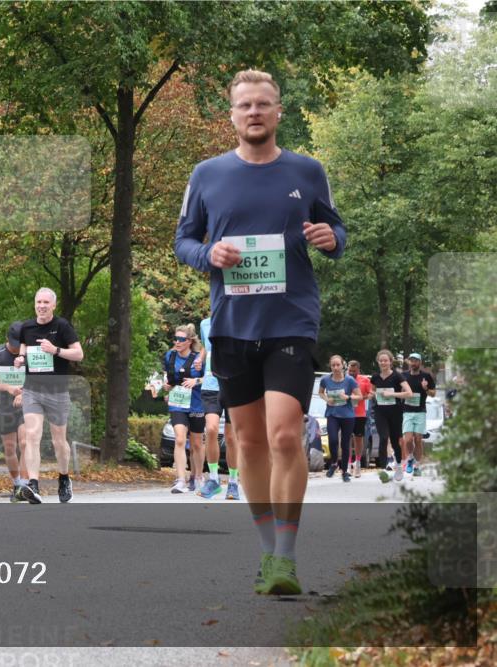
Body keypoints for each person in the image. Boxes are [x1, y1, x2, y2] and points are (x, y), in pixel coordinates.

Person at [175, 69, 346, 595]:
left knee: (285, 434)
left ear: (278, 112)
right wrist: (210, 254)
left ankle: (286, 559)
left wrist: (329, 237)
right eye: (245, 105)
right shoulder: (207, 175)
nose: (254, 112)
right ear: (231, 114)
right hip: (231, 323)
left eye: (263, 104)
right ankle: (268, 549)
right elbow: (183, 242)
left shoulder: (308, 170)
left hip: (290, 319)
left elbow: (337, 231)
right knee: (247, 442)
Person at [14, 288, 83, 503]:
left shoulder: (62, 326)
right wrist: (20, 360)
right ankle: (33, 485)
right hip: (33, 390)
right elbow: (23, 350)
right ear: (34, 304)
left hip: (57, 390)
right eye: (38, 302)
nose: (41, 306)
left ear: (53, 305)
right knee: (32, 434)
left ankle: (63, 477)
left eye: (46, 302)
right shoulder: (26, 327)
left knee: (58, 442)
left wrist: (56, 350)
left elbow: (79, 354)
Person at [0, 322, 39, 503]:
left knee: (24, 442)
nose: (17, 348)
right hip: (5, 406)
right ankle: (16, 484)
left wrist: (25, 392)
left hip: (28, 404)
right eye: (15, 344)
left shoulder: (32, 353)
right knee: (9, 447)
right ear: (7, 339)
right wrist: (7, 388)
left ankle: (24, 485)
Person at [154, 324, 205, 495]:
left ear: (189, 341)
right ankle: (181, 480)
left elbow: (210, 377)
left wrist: (195, 381)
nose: (177, 342)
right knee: (180, 439)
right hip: (177, 403)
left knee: (197, 443)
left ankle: (197, 477)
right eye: (175, 338)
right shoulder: (170, 355)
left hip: (196, 403)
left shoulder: (198, 358)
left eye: (181, 339)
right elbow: (167, 378)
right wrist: (166, 386)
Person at [199, 317, 241, 500]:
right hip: (210, 385)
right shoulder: (204, 324)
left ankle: (233, 482)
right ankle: (214, 479)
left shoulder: (241, 322)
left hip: (234, 386)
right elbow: (206, 348)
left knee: (231, 438)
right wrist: (200, 360)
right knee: (211, 429)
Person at [369, 349, 413, 482]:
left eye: (385, 360)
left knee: (395, 440)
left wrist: (392, 394)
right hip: (380, 411)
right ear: (378, 362)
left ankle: (399, 465)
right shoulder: (375, 377)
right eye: (381, 360)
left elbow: (409, 393)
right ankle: (384, 468)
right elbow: (372, 391)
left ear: (390, 362)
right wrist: (372, 395)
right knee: (383, 438)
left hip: (395, 412)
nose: (383, 363)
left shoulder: (397, 376)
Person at [318, 355, 362, 482]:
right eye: (333, 365)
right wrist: (327, 399)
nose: (336, 368)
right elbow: (321, 392)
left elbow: (359, 396)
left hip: (347, 416)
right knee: (332, 440)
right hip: (332, 413)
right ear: (330, 366)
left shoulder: (350, 380)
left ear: (343, 365)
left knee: (345, 443)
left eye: (338, 365)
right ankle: (333, 463)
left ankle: (344, 472)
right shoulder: (325, 380)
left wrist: (348, 397)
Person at [401, 353, 435, 478]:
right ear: (409, 362)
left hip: (420, 411)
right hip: (407, 411)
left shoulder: (426, 376)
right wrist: (402, 392)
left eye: (416, 361)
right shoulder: (403, 376)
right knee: (408, 439)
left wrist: (426, 389)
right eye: (411, 361)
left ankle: (417, 466)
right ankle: (410, 458)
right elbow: (398, 390)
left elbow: (433, 394)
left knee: (418, 439)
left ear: (420, 362)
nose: (413, 363)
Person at [347, 359, 373, 477]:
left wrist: (362, 398)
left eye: (354, 371)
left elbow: (372, 394)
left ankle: (357, 463)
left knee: (358, 439)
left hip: (359, 413)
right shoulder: (343, 379)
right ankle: (347, 464)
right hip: (345, 413)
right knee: (346, 439)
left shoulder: (364, 380)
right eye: (350, 370)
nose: (352, 373)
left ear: (358, 369)